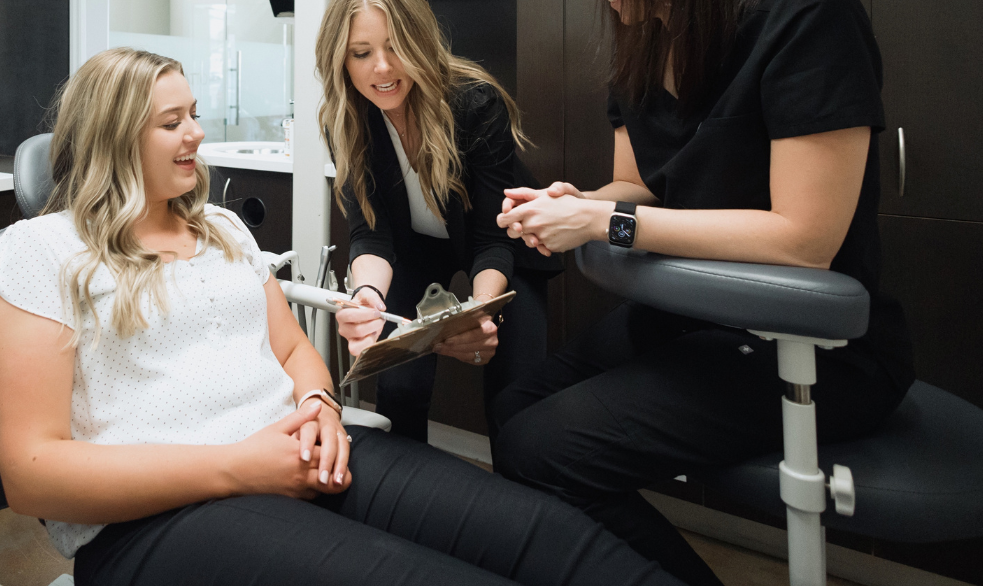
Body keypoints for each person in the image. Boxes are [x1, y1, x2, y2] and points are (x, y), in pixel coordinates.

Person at [0, 47, 693, 586]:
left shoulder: (221, 229)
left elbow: (297, 352)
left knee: (550, 533)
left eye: (195, 113)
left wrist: (322, 406)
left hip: (308, 454)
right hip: (156, 520)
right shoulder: (43, 249)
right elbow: (32, 472)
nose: (198, 134)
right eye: (172, 122)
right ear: (115, 135)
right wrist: (239, 467)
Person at [491, 0, 915, 586]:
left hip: (808, 349)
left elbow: (805, 240)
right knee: (516, 408)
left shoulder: (808, 23)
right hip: (691, 321)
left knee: (540, 450)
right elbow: (637, 188)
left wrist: (605, 225)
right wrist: (578, 203)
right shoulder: (636, 54)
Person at [316, 0, 558, 443]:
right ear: (340, 60)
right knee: (399, 385)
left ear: (420, 42)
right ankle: (406, 501)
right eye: (361, 53)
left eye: (396, 46)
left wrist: (481, 313)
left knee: (514, 398)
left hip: (503, 245)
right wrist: (368, 294)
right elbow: (371, 235)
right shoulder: (345, 120)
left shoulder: (473, 103)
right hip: (415, 249)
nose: (382, 68)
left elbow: (492, 240)